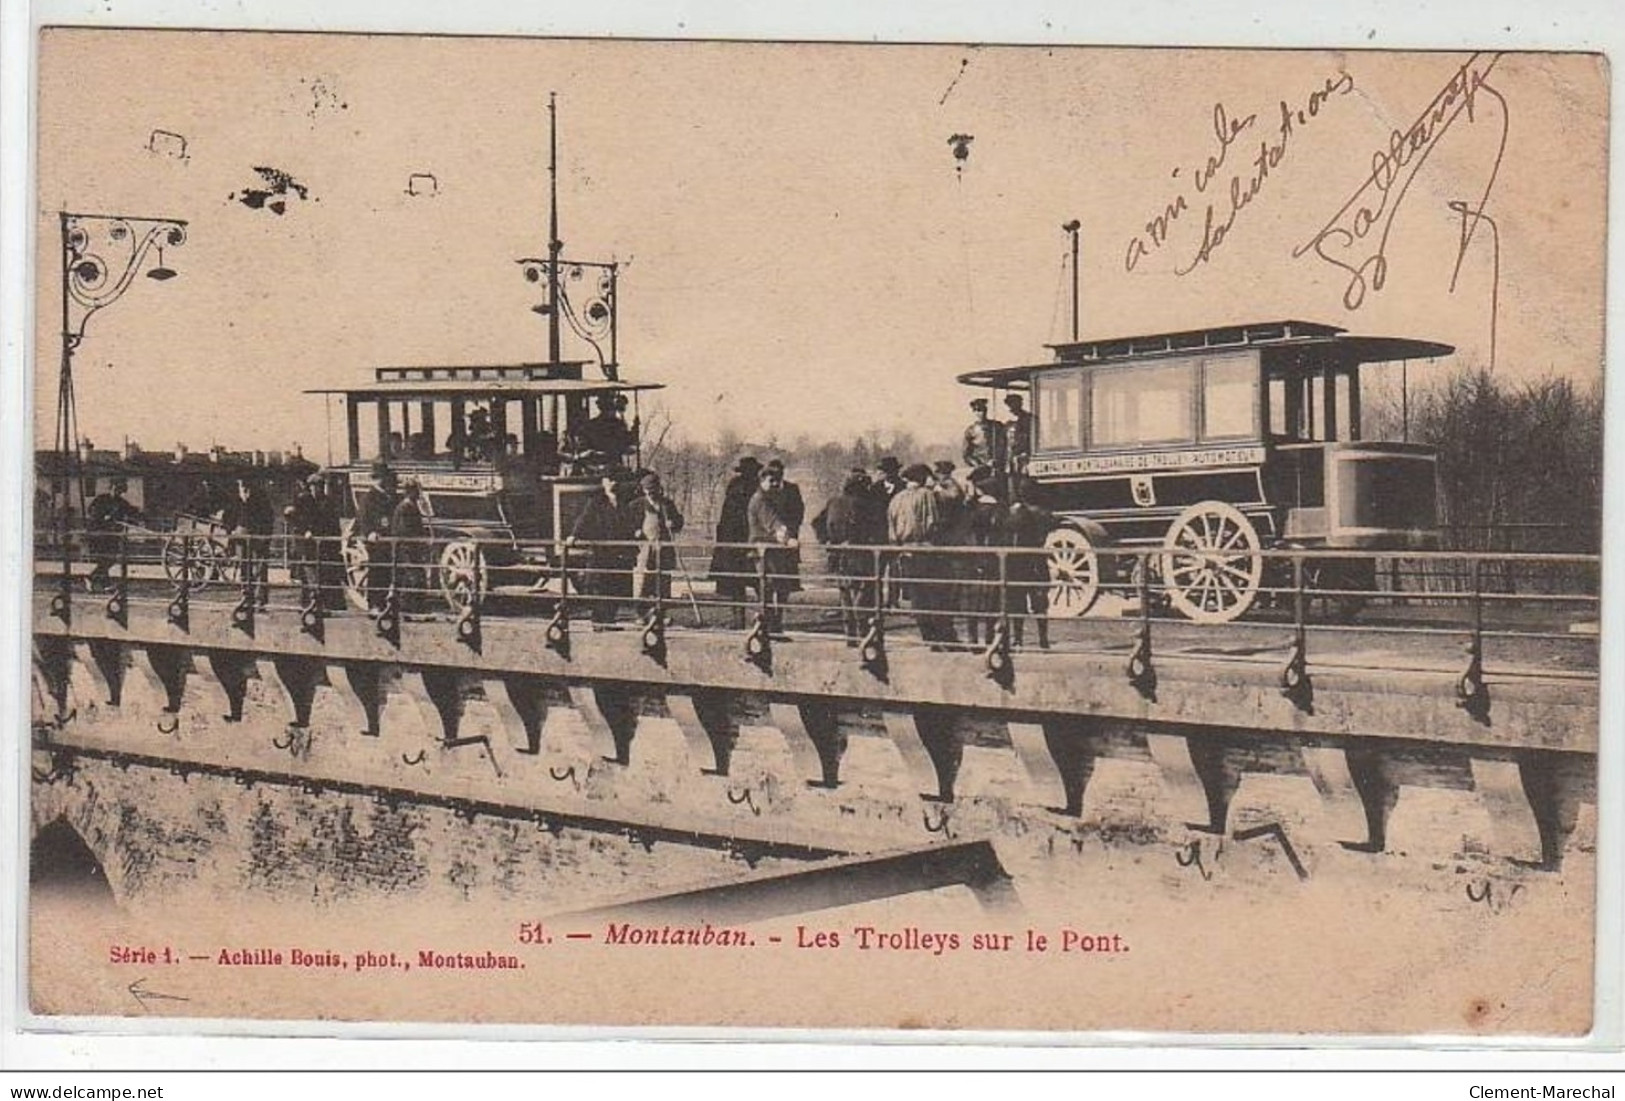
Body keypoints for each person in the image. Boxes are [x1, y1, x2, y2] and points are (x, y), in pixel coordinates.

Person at [888, 463, 956, 649]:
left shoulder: (896, 498)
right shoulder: (926, 495)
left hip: (905, 553)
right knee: (936, 596)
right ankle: (944, 639)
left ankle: (929, 638)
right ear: (922, 478)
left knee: (917, 598)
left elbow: (891, 531)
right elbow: (932, 522)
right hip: (925, 551)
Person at [819, 470, 886, 645]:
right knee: (862, 595)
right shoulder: (865, 505)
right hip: (860, 556)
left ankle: (850, 636)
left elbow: (816, 522)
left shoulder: (833, 502)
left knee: (845, 595)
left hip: (838, 555)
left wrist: (827, 541)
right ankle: (864, 634)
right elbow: (875, 530)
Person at [567, 471, 637, 627]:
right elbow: (584, 519)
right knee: (599, 584)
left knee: (616, 584)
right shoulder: (596, 501)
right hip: (602, 550)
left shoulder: (625, 501)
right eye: (610, 480)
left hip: (619, 551)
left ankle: (610, 621)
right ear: (604, 482)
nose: (613, 483)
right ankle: (598, 620)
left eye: (616, 480)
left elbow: (631, 521)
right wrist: (574, 535)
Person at [708, 456, 761, 628]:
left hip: (737, 541)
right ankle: (759, 619)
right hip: (742, 540)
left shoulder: (740, 488)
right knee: (753, 581)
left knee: (745, 582)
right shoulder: (752, 488)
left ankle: (744, 620)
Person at [747, 464, 800, 634]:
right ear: (762, 481)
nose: (776, 484)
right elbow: (772, 523)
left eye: (777, 480)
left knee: (778, 587)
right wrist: (787, 538)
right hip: (764, 551)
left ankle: (771, 624)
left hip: (775, 551)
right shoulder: (760, 500)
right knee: (769, 588)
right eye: (771, 481)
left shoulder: (772, 497)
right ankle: (766, 625)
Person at [1004, 476, 1055, 649]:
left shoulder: (1017, 512)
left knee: (1017, 602)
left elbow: (1010, 528)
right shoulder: (1044, 513)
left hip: (1019, 561)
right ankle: (1043, 639)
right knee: (1040, 602)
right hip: (1038, 559)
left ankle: (1018, 639)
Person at [632, 471, 684, 615]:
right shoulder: (636, 505)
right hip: (644, 549)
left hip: (663, 547)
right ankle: (641, 614)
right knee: (643, 581)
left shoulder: (667, 504)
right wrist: (636, 531)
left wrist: (673, 523)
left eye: (653, 490)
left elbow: (679, 521)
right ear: (643, 490)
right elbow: (627, 524)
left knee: (663, 582)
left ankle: (661, 614)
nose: (650, 493)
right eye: (648, 490)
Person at [222, 477, 275, 610]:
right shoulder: (235, 501)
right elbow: (227, 518)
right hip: (241, 538)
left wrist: (265, 536)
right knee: (244, 568)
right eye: (242, 488)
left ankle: (260, 601)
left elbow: (269, 518)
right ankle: (246, 598)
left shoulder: (261, 500)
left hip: (257, 538)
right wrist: (231, 530)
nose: (244, 492)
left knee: (260, 569)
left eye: (247, 489)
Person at [85, 477, 142, 592]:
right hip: (99, 534)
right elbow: (92, 512)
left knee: (110, 559)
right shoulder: (101, 500)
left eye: (120, 490)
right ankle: (93, 578)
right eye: (116, 489)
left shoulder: (120, 502)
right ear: (111, 488)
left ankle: (101, 583)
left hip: (112, 535)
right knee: (105, 559)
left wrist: (140, 515)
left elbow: (131, 511)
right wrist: (104, 517)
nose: (118, 492)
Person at [357, 462, 399, 613]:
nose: (381, 480)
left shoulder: (390, 497)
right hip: (376, 540)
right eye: (378, 478)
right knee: (376, 570)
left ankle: (384, 603)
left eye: (382, 477)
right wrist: (369, 532)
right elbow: (363, 518)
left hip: (387, 539)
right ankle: (374, 604)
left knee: (387, 571)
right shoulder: (368, 498)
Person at [282, 473, 327, 606]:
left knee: (315, 573)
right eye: (314, 486)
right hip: (305, 543)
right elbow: (294, 519)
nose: (316, 489)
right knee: (309, 573)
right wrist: (304, 531)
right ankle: (309, 603)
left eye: (319, 486)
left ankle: (311, 603)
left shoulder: (325, 501)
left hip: (319, 542)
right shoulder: (302, 500)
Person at [391, 479, 430, 613]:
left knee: (415, 575)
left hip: (411, 547)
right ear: (410, 492)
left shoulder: (411, 506)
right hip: (406, 548)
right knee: (411, 576)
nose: (418, 494)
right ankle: (409, 608)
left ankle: (415, 608)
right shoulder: (405, 508)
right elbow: (404, 530)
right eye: (416, 491)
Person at [573, 394, 637, 470]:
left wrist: (634, 430)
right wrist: (593, 454)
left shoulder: (619, 425)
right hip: (593, 468)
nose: (611, 412)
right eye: (608, 408)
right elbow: (582, 450)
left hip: (615, 467)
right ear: (601, 408)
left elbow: (629, 444)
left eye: (613, 409)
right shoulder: (590, 426)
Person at [962, 398, 1008, 472]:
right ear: (974, 412)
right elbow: (966, 455)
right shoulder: (970, 431)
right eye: (978, 410)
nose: (981, 413)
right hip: (982, 469)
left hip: (999, 467)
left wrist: (999, 460)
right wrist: (980, 464)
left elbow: (1005, 445)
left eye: (983, 410)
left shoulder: (997, 426)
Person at [1005, 393, 1034, 474]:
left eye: (1015, 403)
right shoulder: (1008, 421)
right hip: (1010, 457)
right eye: (1011, 404)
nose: (1013, 407)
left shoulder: (1028, 419)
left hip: (1025, 456)